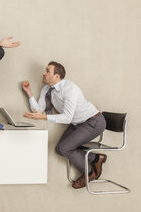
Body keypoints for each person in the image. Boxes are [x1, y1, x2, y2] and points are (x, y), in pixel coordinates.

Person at [21, 61, 107, 189]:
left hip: (93, 122)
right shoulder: (47, 89)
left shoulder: (70, 89)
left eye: (47, 71)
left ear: (57, 76)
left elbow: (67, 117)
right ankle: (95, 158)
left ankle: (90, 173)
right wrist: (29, 93)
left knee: (65, 148)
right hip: (77, 123)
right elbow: (38, 109)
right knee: (59, 149)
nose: (43, 73)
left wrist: (44, 117)